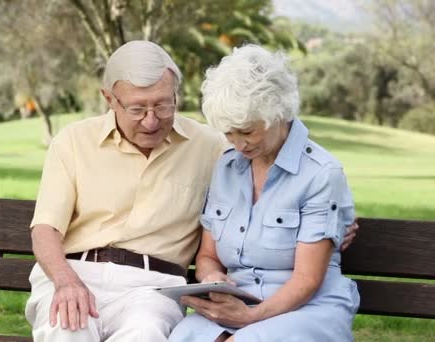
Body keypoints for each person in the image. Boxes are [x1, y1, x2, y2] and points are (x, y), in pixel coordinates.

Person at [25, 40, 358, 342]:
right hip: (75, 272)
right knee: (67, 326)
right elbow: (46, 228)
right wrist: (66, 281)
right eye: (138, 109)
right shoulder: (73, 141)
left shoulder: (214, 147)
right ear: (109, 99)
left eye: (164, 105)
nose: (152, 121)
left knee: (147, 333)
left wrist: (334, 224)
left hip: (152, 288)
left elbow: (302, 173)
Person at [168, 45, 360, 342]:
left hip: (306, 310)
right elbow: (207, 255)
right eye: (229, 133)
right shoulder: (227, 167)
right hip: (239, 304)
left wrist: (250, 317)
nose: (239, 144)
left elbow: (307, 280)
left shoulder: (321, 173)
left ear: (277, 113)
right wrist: (210, 277)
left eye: (247, 131)